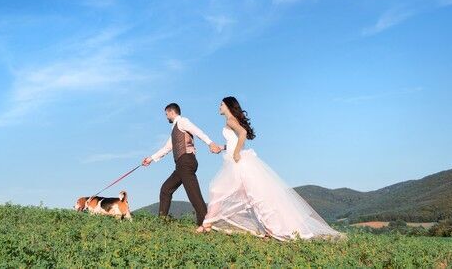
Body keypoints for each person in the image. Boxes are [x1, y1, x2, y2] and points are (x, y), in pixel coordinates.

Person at [201, 96, 343, 240]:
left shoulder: (230, 120)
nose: (219, 107)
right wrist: (223, 147)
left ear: (228, 106)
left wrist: (236, 153)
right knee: (253, 197)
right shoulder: (232, 121)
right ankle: (268, 229)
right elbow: (235, 140)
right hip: (237, 162)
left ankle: (207, 224)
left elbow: (243, 134)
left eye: (221, 104)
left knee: (219, 190)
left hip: (238, 163)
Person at [142, 103, 222, 232]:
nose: (166, 117)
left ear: (171, 112)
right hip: (180, 165)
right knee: (166, 189)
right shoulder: (174, 129)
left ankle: (205, 225)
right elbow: (167, 148)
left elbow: (197, 131)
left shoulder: (182, 121)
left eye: (166, 114)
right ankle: (161, 223)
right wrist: (151, 158)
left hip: (186, 161)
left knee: (193, 194)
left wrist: (210, 143)